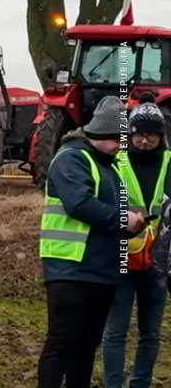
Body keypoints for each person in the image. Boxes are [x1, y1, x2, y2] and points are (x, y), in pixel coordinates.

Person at [37, 95, 147, 388]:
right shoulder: (71, 159)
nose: (122, 147)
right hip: (70, 269)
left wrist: (134, 222)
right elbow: (79, 204)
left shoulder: (110, 168)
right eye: (119, 140)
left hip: (102, 271)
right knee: (61, 343)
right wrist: (123, 220)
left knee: (86, 348)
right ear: (103, 133)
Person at [102, 92, 170, 388]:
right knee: (115, 332)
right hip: (121, 258)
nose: (144, 141)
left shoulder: (169, 162)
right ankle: (113, 384)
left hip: (158, 262)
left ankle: (140, 383)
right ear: (130, 135)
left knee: (150, 333)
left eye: (151, 136)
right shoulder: (115, 162)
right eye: (139, 135)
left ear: (161, 136)